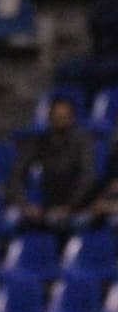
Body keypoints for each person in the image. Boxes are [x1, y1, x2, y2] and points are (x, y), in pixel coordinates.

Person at [7, 94, 96, 231]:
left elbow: (88, 176)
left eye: (64, 116)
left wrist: (70, 206)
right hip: (47, 206)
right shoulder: (42, 140)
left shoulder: (82, 141)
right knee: (13, 217)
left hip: (78, 206)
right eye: (56, 116)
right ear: (50, 117)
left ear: (72, 117)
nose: (60, 119)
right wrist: (25, 205)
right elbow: (16, 174)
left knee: (75, 221)